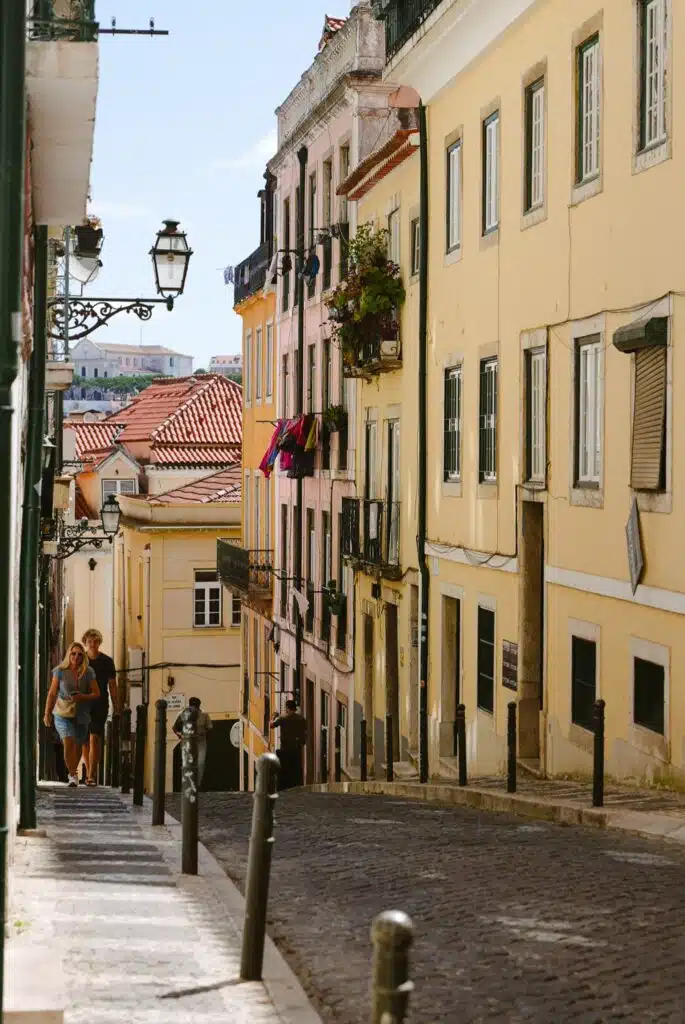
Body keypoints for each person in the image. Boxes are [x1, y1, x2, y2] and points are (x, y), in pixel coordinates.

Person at [43, 642, 100, 788]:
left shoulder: (88, 672)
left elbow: (96, 693)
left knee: (79, 745)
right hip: (62, 713)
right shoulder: (60, 671)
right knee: (68, 741)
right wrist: (47, 713)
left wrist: (82, 697)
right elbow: (52, 693)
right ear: (69, 654)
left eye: (80, 654)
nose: (76, 656)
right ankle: (73, 774)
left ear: (83, 657)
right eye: (73, 653)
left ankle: (73, 773)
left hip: (81, 714)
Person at [81, 628, 119, 786]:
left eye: (96, 641)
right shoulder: (80, 659)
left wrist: (117, 706)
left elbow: (113, 685)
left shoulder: (107, 661)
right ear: (86, 643)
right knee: (84, 741)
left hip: (100, 702)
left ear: (99, 642)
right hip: (83, 703)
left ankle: (90, 775)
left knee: (94, 738)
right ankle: (89, 770)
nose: (93, 644)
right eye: (90, 641)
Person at [172, 697, 212, 789]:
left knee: (200, 763)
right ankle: (188, 784)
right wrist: (180, 736)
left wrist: (204, 734)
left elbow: (209, 728)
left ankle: (197, 785)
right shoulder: (182, 714)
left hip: (200, 741)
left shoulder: (204, 715)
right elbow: (174, 728)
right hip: (187, 741)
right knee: (187, 762)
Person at [270, 700, 306, 790]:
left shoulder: (283, 718)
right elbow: (305, 731)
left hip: (285, 748)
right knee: (296, 769)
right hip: (297, 748)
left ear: (287, 708)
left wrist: (273, 716)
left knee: (285, 770)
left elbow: (271, 725)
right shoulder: (301, 718)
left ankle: (284, 787)